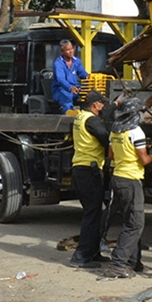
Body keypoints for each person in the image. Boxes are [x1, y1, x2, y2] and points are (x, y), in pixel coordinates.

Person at [105, 98, 151, 278]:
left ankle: (133, 263)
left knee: (129, 221)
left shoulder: (115, 131)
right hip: (131, 180)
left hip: (118, 178)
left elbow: (111, 155)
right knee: (135, 224)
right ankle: (117, 263)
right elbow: (144, 160)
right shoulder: (136, 132)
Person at [67, 91, 112, 269]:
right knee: (92, 215)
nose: (103, 107)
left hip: (80, 168)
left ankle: (93, 253)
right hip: (89, 171)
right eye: (101, 104)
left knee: (93, 213)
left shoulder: (79, 117)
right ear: (95, 105)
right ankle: (81, 257)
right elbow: (106, 138)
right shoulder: (92, 120)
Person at [52, 39, 90, 114]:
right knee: (67, 102)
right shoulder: (58, 63)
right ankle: (66, 122)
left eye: (72, 48)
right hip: (61, 90)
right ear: (62, 52)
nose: (71, 51)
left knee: (89, 97)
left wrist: (88, 77)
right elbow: (60, 79)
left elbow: (83, 74)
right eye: (68, 50)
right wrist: (70, 88)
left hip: (76, 88)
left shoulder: (77, 61)